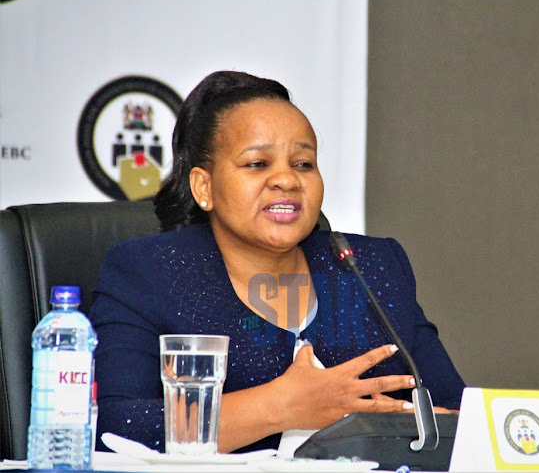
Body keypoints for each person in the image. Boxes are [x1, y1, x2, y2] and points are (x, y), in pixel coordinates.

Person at [88, 70, 466, 454]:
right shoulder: (151, 273)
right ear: (204, 187)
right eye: (257, 164)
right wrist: (281, 408)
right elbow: (115, 428)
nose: (286, 179)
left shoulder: (370, 266)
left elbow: (464, 416)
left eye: (303, 164)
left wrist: (384, 426)